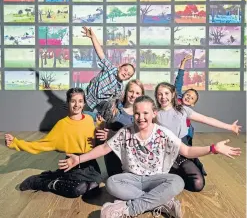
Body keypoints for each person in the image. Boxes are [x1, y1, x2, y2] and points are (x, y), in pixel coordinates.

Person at [58, 95, 241, 218]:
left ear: (154, 114)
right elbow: (105, 148)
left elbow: (186, 151)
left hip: (157, 179)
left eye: (146, 113)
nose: (141, 117)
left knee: (178, 182)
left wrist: (212, 148)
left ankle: (129, 209)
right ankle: (161, 202)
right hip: (131, 178)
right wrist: (79, 159)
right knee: (112, 183)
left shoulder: (163, 133)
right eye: (137, 113)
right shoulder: (126, 131)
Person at [5, 88, 102, 198]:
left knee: (94, 189)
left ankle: (59, 177)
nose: (76, 105)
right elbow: (41, 144)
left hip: (90, 164)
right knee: (77, 189)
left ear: (84, 103)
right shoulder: (62, 125)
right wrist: (16, 143)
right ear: (68, 103)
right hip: (72, 164)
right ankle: (42, 182)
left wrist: (102, 128)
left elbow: (97, 143)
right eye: (73, 101)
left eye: (80, 101)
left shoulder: (89, 120)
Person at [154, 82, 241, 192]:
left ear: (173, 94)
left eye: (166, 93)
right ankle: (172, 176)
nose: (163, 97)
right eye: (159, 94)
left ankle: (176, 175)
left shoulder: (183, 110)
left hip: (183, 153)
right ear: (156, 96)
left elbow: (206, 119)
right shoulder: (155, 114)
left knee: (198, 184)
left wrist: (229, 127)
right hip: (165, 155)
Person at [96, 79, 145, 176]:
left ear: (141, 96)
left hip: (133, 160)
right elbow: (103, 132)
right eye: (131, 91)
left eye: (137, 93)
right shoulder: (114, 110)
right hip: (112, 157)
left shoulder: (143, 115)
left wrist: (112, 135)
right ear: (126, 92)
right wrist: (100, 126)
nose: (133, 95)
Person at [82, 26, 135, 114]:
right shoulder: (110, 68)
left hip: (99, 106)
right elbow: (100, 53)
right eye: (125, 70)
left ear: (127, 79)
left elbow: (115, 101)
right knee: (81, 116)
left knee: (106, 110)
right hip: (88, 98)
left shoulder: (120, 88)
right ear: (119, 67)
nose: (126, 74)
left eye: (129, 74)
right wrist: (93, 37)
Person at [174, 55, 198, 145]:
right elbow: (179, 81)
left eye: (192, 98)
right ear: (183, 94)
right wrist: (183, 63)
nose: (188, 97)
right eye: (187, 94)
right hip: (172, 133)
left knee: (188, 152)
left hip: (184, 136)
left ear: (193, 104)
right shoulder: (177, 99)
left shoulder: (189, 111)